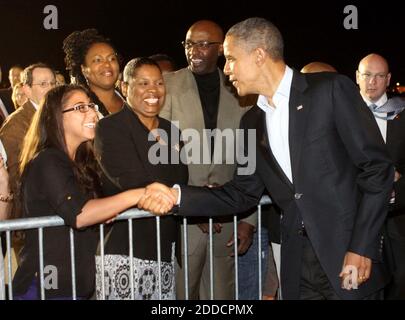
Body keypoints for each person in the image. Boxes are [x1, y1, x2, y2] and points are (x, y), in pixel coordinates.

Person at [141, 17, 394, 300]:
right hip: (297, 262)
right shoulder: (251, 121)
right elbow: (242, 193)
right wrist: (178, 197)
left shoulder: (330, 90)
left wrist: (361, 247)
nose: (226, 70)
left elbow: (377, 169)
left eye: (232, 59)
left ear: (259, 55)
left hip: (350, 255)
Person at [11, 84, 174, 300]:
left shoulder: (80, 163)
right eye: (80, 107)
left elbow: (100, 205)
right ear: (56, 117)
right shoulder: (48, 160)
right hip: (45, 287)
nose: (91, 112)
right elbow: (79, 215)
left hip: (74, 286)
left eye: (91, 105)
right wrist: (139, 194)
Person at [160, 20, 256, 300]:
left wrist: (249, 219)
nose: (194, 51)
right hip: (185, 216)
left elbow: (248, 154)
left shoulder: (239, 87)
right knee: (181, 293)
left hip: (228, 212)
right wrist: (194, 201)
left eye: (203, 44)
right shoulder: (169, 85)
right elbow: (163, 152)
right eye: (189, 44)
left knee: (221, 294)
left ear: (221, 49)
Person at [94, 57, 188, 300]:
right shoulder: (110, 128)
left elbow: (181, 181)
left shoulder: (171, 130)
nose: (153, 91)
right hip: (125, 249)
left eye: (158, 83)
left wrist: (198, 195)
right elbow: (130, 180)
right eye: (143, 83)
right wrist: (173, 194)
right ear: (125, 88)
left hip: (164, 247)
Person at [356, 53, 405, 299]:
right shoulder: (345, 113)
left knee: (400, 281)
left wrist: (399, 190)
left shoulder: (402, 113)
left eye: (379, 76)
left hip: (398, 217)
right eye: (367, 75)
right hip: (357, 216)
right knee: (362, 284)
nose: (372, 82)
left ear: (388, 79)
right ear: (357, 77)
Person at [63, 28, 124, 116]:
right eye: (97, 60)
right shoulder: (79, 110)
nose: (107, 64)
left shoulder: (132, 99)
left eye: (112, 58)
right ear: (83, 69)